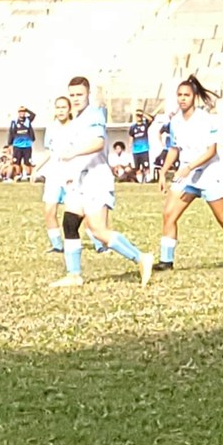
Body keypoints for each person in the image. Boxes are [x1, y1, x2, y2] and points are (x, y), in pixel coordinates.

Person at [46, 75, 152, 287]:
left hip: (97, 179)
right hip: (81, 181)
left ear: (88, 94)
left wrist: (72, 153)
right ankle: (74, 275)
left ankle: (140, 257)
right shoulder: (77, 120)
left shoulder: (94, 115)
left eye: (80, 94)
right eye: (72, 95)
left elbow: (97, 143)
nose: (75, 99)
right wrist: (71, 173)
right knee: (70, 222)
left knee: (98, 231)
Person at [158, 75, 223, 272]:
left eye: (186, 95)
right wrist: (163, 171)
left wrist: (189, 167)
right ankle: (166, 261)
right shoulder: (175, 122)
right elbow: (174, 148)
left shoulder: (207, 120)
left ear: (194, 97)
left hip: (208, 174)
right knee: (169, 215)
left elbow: (211, 151)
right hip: (186, 176)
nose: (182, 99)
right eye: (180, 95)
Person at [35, 93, 76, 254]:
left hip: (71, 174)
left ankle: (99, 243)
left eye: (63, 107)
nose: (60, 111)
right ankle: (57, 245)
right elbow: (49, 151)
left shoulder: (76, 127)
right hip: (54, 175)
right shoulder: (51, 128)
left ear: (69, 109)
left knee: (77, 212)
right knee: (49, 210)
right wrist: (36, 168)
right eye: (58, 107)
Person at [8, 106, 37, 182]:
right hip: (17, 146)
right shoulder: (14, 121)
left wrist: (27, 109)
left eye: (24, 112)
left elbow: (33, 115)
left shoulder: (27, 120)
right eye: (21, 111)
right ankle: (18, 175)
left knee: (27, 162)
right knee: (16, 162)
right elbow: (11, 133)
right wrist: (10, 144)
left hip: (27, 145)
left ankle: (28, 176)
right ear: (18, 113)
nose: (22, 113)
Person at [129, 110, 151, 181]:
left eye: (139, 115)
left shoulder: (145, 125)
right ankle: (139, 181)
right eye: (137, 115)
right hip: (136, 150)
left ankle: (147, 180)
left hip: (144, 149)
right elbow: (131, 136)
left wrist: (143, 114)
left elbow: (151, 119)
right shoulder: (133, 127)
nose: (138, 117)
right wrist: (130, 145)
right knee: (137, 168)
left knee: (146, 166)